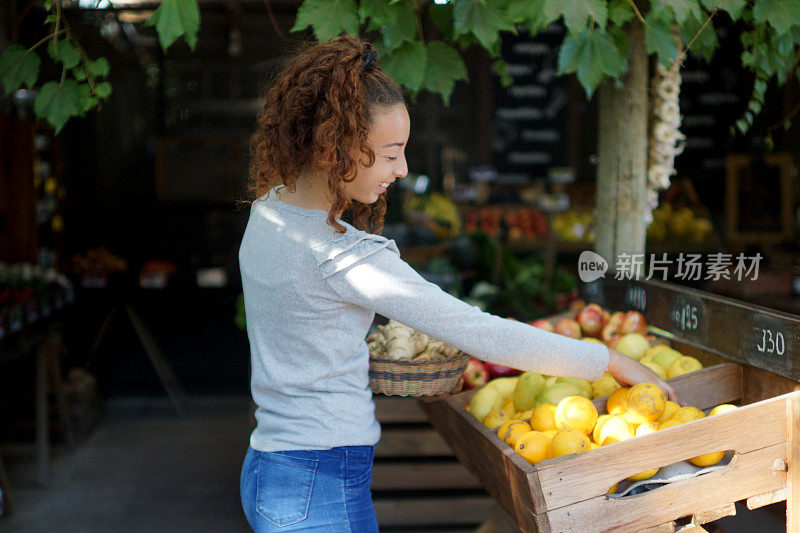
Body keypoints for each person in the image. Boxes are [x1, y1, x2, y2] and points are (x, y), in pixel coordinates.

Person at [238, 35, 678, 533]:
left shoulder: (269, 211)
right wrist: (609, 360)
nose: (402, 170)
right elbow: (479, 332)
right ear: (330, 146)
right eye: (389, 154)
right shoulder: (342, 259)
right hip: (320, 482)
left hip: (270, 467)